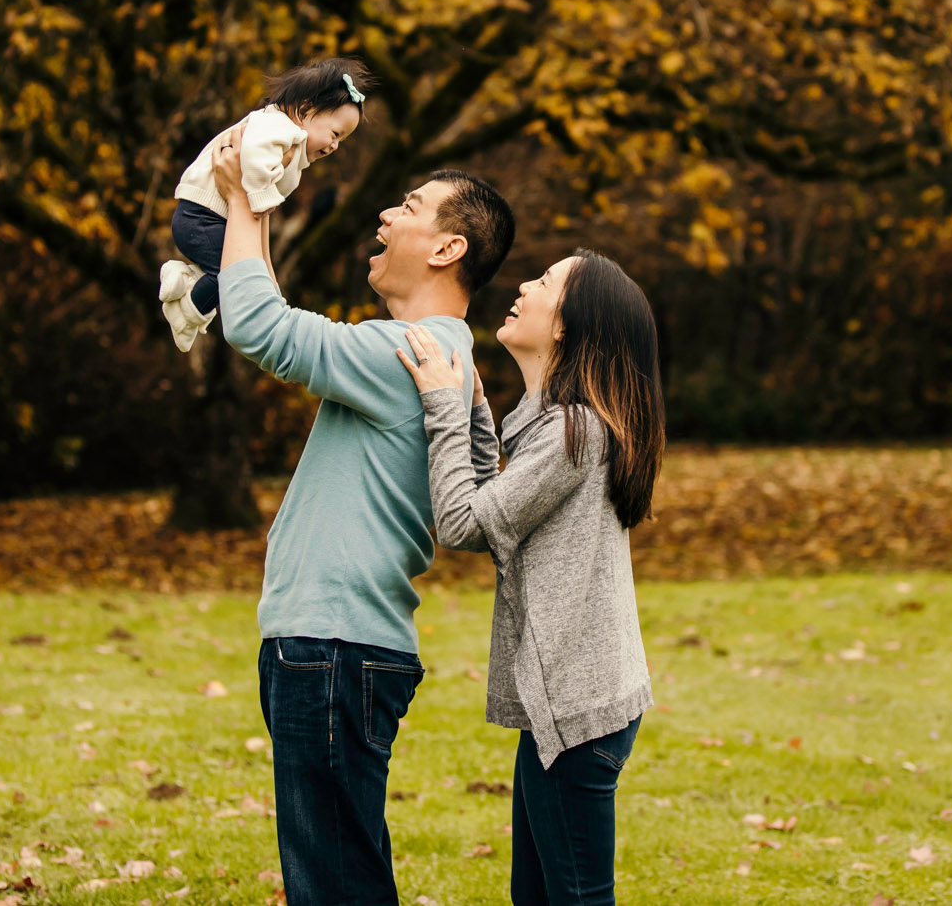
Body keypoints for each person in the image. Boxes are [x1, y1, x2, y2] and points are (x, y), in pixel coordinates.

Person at [207, 124, 516, 906]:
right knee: (337, 868)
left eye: (409, 205)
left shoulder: (404, 350)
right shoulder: (432, 352)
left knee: (336, 881)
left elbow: (259, 327)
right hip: (335, 645)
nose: (384, 215)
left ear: (448, 248)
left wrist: (246, 197)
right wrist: (259, 205)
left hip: (334, 646)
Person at [396, 249, 663, 906]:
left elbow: (464, 521)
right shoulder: (565, 426)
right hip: (575, 706)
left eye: (543, 282)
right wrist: (474, 410)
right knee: (538, 895)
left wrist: (440, 406)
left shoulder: (573, 432)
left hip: (575, 711)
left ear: (567, 325)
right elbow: (503, 501)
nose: (522, 285)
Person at [158, 57, 373, 351]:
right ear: (307, 108)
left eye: (342, 141)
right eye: (335, 134)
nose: (335, 146)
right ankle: (186, 311)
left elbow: (260, 213)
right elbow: (254, 162)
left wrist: (270, 280)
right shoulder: (278, 126)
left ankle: (184, 283)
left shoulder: (290, 141)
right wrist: (263, 200)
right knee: (232, 276)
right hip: (200, 216)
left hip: (211, 219)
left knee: (239, 273)